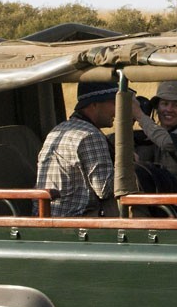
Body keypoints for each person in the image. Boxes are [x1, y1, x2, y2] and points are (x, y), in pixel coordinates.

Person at [35, 81, 118, 217]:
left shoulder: (61, 128)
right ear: (94, 104)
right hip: (73, 219)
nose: (116, 110)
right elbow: (104, 189)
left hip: (50, 214)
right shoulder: (90, 135)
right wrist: (128, 166)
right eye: (113, 103)